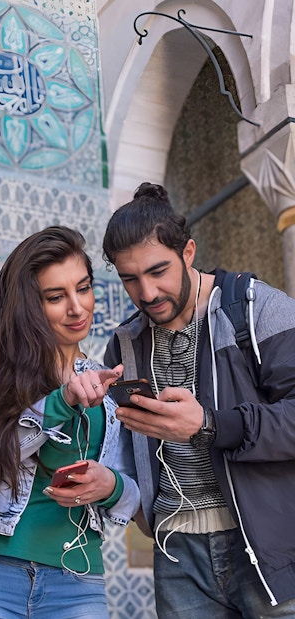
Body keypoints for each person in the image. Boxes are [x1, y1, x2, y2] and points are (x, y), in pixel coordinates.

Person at [102, 182, 295, 618]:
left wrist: (209, 424)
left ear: (188, 252)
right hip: (176, 554)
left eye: (157, 271)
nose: (147, 293)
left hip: (272, 550)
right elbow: (124, 450)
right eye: (129, 278)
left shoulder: (255, 308)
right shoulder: (125, 346)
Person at [0, 226, 140, 619]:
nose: (77, 307)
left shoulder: (108, 382)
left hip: (77, 584)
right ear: (30, 306)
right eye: (56, 297)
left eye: (83, 288)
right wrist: (62, 400)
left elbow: (136, 497)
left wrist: (111, 484)